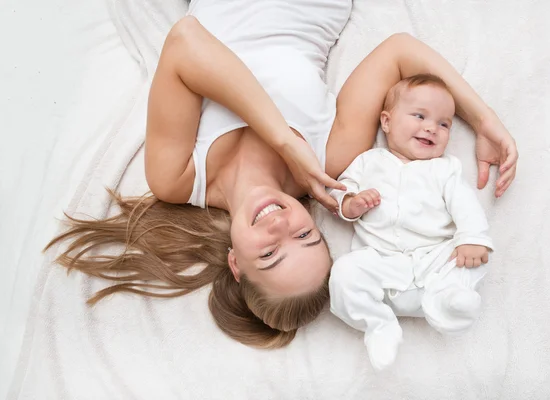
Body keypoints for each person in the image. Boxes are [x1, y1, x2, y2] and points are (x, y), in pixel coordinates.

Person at [46, 0, 518, 350]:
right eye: (307, 238)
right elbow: (398, 53)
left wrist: (282, 139)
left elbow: (185, 39)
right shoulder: (329, 160)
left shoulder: (177, 178)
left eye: (270, 253)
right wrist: (484, 118)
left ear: (235, 262)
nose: (281, 226)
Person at [328, 74, 495, 370]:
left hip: (432, 263)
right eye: (420, 116)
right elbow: (339, 191)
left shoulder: (445, 169)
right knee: (343, 272)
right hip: (381, 264)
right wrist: (351, 204)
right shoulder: (368, 161)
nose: (432, 127)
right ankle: (378, 324)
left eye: (444, 124)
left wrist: (473, 238)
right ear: (387, 121)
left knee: (473, 256)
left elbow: (465, 205)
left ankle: (449, 302)